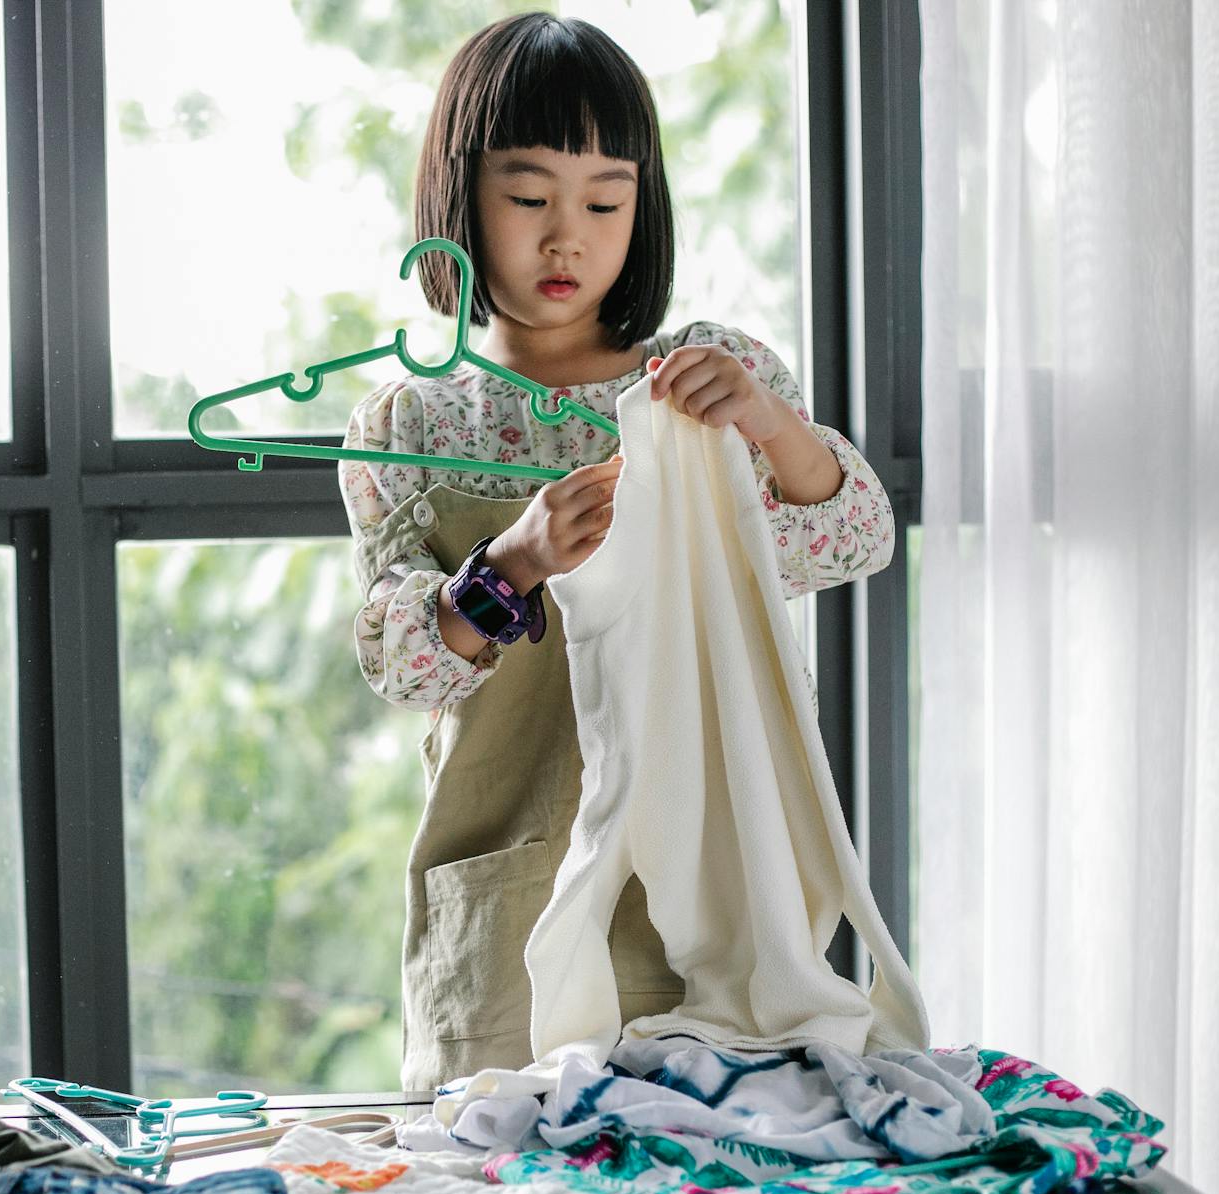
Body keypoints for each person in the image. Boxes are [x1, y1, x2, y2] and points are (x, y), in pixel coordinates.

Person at [337, 13, 897, 1094]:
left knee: (722, 1169)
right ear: (457, 198)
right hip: (512, 880)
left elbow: (851, 536)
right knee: (515, 1184)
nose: (567, 238)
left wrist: (768, 430)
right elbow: (403, 666)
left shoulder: (704, 379)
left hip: (715, 870)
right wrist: (513, 562)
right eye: (528, 195)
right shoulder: (406, 423)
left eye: (603, 201)